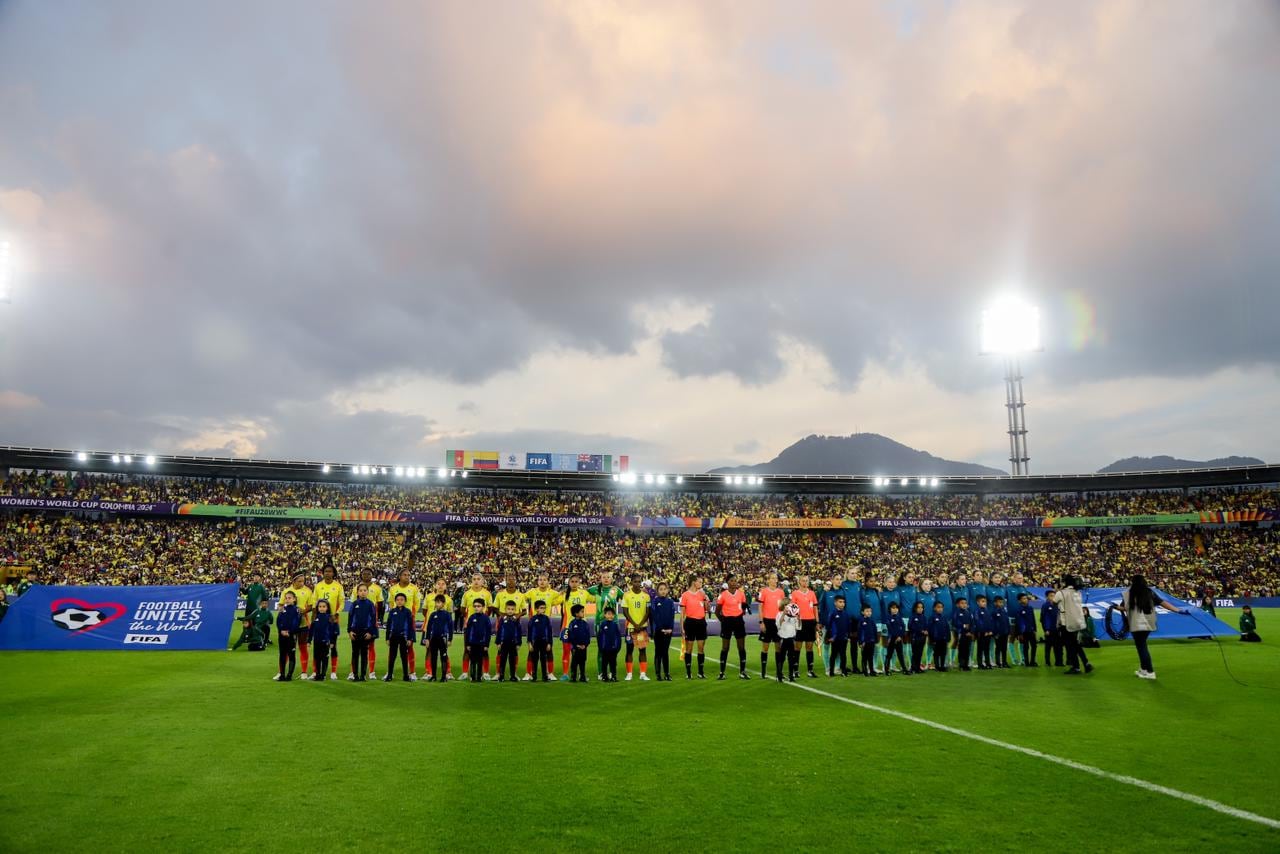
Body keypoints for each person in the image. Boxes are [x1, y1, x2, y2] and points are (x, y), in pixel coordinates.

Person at [1117, 574, 1187, 680]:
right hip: (1148, 623)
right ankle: (1143, 669)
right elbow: (1163, 603)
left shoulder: (1128, 593)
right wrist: (1178, 610)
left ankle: (1150, 672)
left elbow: (1124, 608)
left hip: (1136, 623)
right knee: (1142, 646)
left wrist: (1115, 607)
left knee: (1141, 648)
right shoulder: (1149, 592)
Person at [524, 573, 562, 680]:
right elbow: (521, 597)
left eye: (544, 579)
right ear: (537, 581)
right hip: (534, 624)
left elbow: (562, 596)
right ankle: (529, 673)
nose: (542, 581)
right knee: (531, 651)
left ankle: (550, 673)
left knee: (549, 650)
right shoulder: (532, 592)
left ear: (548, 581)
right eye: (540, 579)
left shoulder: (552, 593)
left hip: (546, 623)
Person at [588, 571, 624, 681]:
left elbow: (626, 597)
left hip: (614, 622)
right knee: (601, 648)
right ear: (600, 578)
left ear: (612, 579)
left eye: (608, 577)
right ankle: (601, 672)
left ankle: (612, 673)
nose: (606, 579)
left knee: (613, 648)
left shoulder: (616, 590)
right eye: (604, 577)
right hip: (599, 622)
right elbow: (584, 592)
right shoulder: (596, 589)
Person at [1054, 576, 1093, 675]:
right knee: (1076, 644)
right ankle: (1086, 663)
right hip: (1078, 621)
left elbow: (1054, 602)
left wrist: (1057, 589)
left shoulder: (1061, 592)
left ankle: (1076, 667)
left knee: (1070, 646)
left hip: (1066, 623)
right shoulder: (1077, 592)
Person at [387, 570, 420, 681]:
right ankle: (390, 673)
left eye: (408, 575)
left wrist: (412, 615)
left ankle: (412, 672)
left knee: (409, 647)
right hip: (396, 621)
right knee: (393, 651)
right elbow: (391, 603)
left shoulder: (414, 588)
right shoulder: (393, 589)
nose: (407, 577)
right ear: (400, 576)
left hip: (408, 620)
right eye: (405, 575)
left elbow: (417, 603)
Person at [715, 575, 750, 681]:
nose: (734, 583)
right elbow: (717, 611)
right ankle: (722, 672)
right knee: (725, 647)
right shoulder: (723, 595)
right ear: (727, 582)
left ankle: (742, 672)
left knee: (741, 647)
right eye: (731, 581)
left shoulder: (741, 594)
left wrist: (738, 614)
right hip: (727, 622)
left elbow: (743, 608)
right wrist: (724, 620)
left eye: (735, 581)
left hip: (738, 621)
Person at [314, 564, 345, 681]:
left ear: (333, 573)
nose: (327, 573)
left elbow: (342, 602)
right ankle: (316, 671)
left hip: (332, 620)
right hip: (320, 620)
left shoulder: (338, 586)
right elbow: (314, 602)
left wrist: (336, 613)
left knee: (333, 645)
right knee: (318, 647)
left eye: (330, 571)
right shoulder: (318, 586)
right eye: (325, 571)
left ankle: (333, 671)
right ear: (323, 573)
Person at [560, 575, 595, 681]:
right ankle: (565, 674)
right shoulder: (564, 594)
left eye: (576, 581)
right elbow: (552, 601)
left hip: (581, 627)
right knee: (566, 651)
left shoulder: (584, 593)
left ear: (579, 583)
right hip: (567, 627)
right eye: (572, 581)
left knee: (580, 653)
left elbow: (595, 599)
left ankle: (581, 674)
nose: (574, 583)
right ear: (569, 583)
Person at [459, 574, 492, 681]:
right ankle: (465, 672)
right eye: (474, 579)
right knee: (467, 650)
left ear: (482, 581)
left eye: (478, 579)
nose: (476, 581)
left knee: (484, 650)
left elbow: (490, 609)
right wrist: (468, 619)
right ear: (471, 581)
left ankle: (485, 672)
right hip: (470, 627)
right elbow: (463, 609)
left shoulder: (487, 594)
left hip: (482, 627)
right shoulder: (467, 594)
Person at [281, 573, 314, 678]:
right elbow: (281, 605)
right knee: (287, 648)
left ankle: (304, 672)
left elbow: (311, 606)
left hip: (303, 623)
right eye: (299, 581)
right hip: (289, 625)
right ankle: (281, 672)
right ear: (293, 581)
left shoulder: (308, 591)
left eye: (303, 581)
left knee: (303, 647)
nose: (302, 583)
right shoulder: (286, 591)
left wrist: (303, 611)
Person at [679, 576, 710, 679]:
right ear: (693, 582)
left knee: (701, 648)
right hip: (690, 623)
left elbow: (708, 609)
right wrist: (682, 628)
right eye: (699, 582)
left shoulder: (702, 594)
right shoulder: (685, 595)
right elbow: (682, 614)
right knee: (689, 649)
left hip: (701, 622)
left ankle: (700, 672)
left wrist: (706, 599)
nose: (701, 584)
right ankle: (688, 673)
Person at [756, 572, 786, 680]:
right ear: (768, 580)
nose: (774, 580)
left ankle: (779, 672)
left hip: (777, 622)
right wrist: (761, 622)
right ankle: (763, 672)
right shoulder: (763, 592)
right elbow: (760, 607)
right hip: (767, 621)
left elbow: (783, 608)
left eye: (775, 578)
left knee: (778, 647)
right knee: (765, 647)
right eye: (772, 578)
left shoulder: (781, 592)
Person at [789, 574, 820, 678]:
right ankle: (795, 670)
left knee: (809, 647)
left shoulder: (812, 593)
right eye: (803, 581)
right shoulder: (795, 593)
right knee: (797, 647)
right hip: (800, 622)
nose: (805, 582)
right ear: (799, 582)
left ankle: (810, 670)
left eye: (806, 581)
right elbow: (792, 609)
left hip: (810, 622)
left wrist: (817, 621)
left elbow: (815, 608)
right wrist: (794, 621)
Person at [422, 579, 453, 681]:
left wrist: (449, 637)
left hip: (442, 632)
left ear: (446, 586)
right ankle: (429, 672)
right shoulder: (428, 596)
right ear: (435, 585)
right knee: (429, 651)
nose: (440, 586)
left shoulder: (449, 599)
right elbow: (424, 611)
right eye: (438, 584)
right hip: (430, 630)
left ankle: (447, 673)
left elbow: (449, 617)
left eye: (443, 584)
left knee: (444, 653)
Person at [621, 577, 651, 682]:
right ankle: (629, 674)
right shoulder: (627, 595)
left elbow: (648, 612)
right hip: (630, 628)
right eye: (635, 581)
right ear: (631, 582)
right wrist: (634, 624)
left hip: (642, 628)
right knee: (629, 650)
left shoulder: (646, 596)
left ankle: (643, 674)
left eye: (639, 581)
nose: (637, 583)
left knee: (642, 650)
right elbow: (625, 611)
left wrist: (641, 624)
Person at [347, 584, 377, 682]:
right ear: (357, 592)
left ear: (367, 592)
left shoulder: (370, 604)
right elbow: (350, 618)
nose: (363, 592)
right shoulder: (354, 604)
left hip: (365, 633)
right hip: (355, 633)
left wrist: (370, 632)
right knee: (355, 654)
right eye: (360, 590)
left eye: (365, 590)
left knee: (364, 654)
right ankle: (355, 675)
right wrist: (350, 631)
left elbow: (373, 619)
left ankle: (363, 675)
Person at [383, 593, 416, 682]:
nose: (399, 601)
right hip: (393, 637)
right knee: (392, 656)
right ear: (395, 601)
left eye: (401, 600)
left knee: (404, 657)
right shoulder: (392, 611)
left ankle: (406, 675)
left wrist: (410, 638)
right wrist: (387, 638)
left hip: (403, 637)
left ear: (405, 601)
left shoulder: (408, 612)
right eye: (398, 600)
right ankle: (389, 675)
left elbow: (410, 626)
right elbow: (389, 626)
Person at [650, 582, 676, 682]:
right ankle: (658, 674)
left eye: (664, 589)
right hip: (658, 631)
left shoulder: (670, 602)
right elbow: (655, 617)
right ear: (657, 591)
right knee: (658, 652)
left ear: (667, 590)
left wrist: (670, 628)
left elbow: (672, 617)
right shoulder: (655, 602)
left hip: (668, 631)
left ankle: (667, 673)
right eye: (661, 589)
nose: (663, 591)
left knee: (665, 652)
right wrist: (661, 629)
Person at [464, 597, 493, 683]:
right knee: (472, 660)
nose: (476, 608)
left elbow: (488, 632)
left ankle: (479, 676)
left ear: (483, 607)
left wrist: (486, 644)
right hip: (472, 643)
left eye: (479, 606)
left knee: (480, 660)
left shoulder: (486, 618)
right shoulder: (471, 617)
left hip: (481, 643)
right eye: (475, 606)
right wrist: (468, 644)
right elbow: (468, 632)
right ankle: (473, 677)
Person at [274, 590, 301, 681]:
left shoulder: (296, 609)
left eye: (289, 598)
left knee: (291, 654)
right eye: (286, 598)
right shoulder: (282, 609)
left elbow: (296, 622)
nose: (287, 600)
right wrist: (281, 630)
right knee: (282, 654)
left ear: (294, 599)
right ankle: (282, 675)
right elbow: (278, 621)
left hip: (291, 636)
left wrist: (289, 631)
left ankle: (289, 675)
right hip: (281, 635)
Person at [823, 595, 851, 676]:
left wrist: (848, 636)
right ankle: (831, 671)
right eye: (840, 602)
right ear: (835, 603)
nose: (842, 604)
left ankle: (843, 671)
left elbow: (848, 625)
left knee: (843, 654)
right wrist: (829, 637)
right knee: (834, 654)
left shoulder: (846, 614)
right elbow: (829, 625)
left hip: (843, 637)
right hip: (835, 638)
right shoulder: (832, 613)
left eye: (843, 602)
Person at [527, 600, 554, 681]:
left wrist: (549, 643)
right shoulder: (532, 619)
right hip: (535, 642)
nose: (543, 610)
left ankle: (545, 676)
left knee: (543, 659)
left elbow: (549, 632)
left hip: (544, 642)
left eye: (544, 608)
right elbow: (529, 632)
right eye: (541, 608)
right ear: (536, 609)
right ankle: (534, 676)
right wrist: (529, 643)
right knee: (534, 659)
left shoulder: (546, 619)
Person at [495, 601, 523, 682]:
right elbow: (499, 631)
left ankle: (513, 676)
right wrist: (498, 642)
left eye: (512, 609)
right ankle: (501, 676)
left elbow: (519, 632)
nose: (510, 611)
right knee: (502, 660)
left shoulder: (516, 620)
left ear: (515, 610)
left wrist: (518, 643)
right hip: (503, 643)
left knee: (512, 661)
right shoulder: (502, 620)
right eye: (508, 609)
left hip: (513, 644)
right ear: (505, 610)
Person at [311, 598, 337, 682]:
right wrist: (308, 640)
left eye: (324, 606)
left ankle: (323, 675)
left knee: (324, 658)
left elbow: (333, 631)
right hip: (316, 642)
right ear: (317, 608)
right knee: (317, 658)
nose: (322, 608)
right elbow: (311, 630)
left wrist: (332, 642)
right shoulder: (315, 618)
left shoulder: (330, 618)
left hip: (325, 642)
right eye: (320, 607)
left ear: (327, 608)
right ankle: (317, 674)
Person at [566, 604, 591, 683]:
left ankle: (582, 676)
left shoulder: (585, 624)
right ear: (576, 613)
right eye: (582, 612)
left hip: (584, 647)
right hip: (575, 648)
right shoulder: (572, 624)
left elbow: (588, 636)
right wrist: (576, 645)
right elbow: (570, 636)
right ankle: (573, 677)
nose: (584, 613)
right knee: (574, 662)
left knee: (582, 662)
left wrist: (585, 645)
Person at [597, 606, 623, 682]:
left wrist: (617, 647)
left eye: (612, 614)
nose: (610, 615)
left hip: (613, 649)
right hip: (605, 649)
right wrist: (601, 647)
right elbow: (600, 637)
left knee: (613, 664)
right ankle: (604, 676)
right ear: (605, 615)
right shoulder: (602, 625)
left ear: (614, 615)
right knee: (604, 663)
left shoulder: (615, 625)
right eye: (608, 614)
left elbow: (618, 637)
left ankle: (613, 676)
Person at [776, 602, 801, 682]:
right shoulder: (779, 614)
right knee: (781, 658)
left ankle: (791, 676)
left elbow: (799, 627)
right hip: (783, 639)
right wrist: (784, 614)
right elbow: (778, 625)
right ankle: (779, 675)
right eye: (787, 605)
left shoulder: (794, 615)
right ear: (784, 606)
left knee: (791, 658)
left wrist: (799, 618)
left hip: (791, 639)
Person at [1040, 588, 1063, 667]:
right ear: (1047, 597)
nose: (1053, 597)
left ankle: (1059, 662)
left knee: (1058, 646)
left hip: (1057, 629)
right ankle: (1047, 662)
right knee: (1048, 646)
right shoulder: (1045, 606)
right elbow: (1043, 619)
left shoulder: (1057, 605)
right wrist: (1046, 629)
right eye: (1051, 596)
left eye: (1054, 596)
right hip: (1049, 630)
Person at [1014, 592, 1039, 667]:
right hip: (1024, 632)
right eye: (1023, 599)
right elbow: (1018, 622)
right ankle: (1026, 662)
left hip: (1031, 630)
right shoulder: (1018, 610)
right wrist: (1019, 633)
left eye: (1026, 598)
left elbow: (1033, 619)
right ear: (1019, 601)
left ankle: (1032, 661)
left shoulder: (1030, 608)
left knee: (1034, 646)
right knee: (1026, 647)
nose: (1026, 600)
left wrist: (1035, 629)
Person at [884, 601, 908, 675]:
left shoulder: (899, 617)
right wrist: (894, 636)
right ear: (890, 609)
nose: (895, 610)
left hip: (899, 639)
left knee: (900, 654)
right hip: (892, 639)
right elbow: (890, 629)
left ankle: (904, 669)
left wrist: (900, 636)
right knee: (889, 654)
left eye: (896, 608)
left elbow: (903, 627)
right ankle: (887, 670)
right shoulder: (888, 617)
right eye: (893, 608)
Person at [951, 597, 974, 672]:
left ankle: (966, 665)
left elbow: (972, 623)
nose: (964, 605)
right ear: (957, 605)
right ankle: (961, 664)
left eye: (965, 603)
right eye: (962, 603)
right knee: (961, 649)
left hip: (968, 634)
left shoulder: (968, 612)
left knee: (967, 649)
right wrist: (963, 626)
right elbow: (955, 623)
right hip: (961, 634)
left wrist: (971, 631)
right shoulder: (956, 613)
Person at [927, 600, 951, 672]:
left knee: (943, 653)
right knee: (937, 653)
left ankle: (942, 666)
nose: (940, 609)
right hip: (936, 639)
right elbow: (930, 628)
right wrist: (932, 639)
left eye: (941, 607)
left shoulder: (944, 617)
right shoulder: (932, 617)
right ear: (934, 608)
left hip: (943, 639)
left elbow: (947, 628)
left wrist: (948, 637)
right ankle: (937, 666)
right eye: (938, 607)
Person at [907, 600, 928, 674]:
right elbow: (910, 626)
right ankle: (913, 667)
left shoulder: (924, 617)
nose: (920, 609)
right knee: (915, 653)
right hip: (915, 637)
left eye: (921, 607)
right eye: (918, 607)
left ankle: (918, 668)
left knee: (920, 653)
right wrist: (921, 631)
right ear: (915, 608)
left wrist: (926, 631)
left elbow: (926, 626)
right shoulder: (912, 616)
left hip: (922, 638)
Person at [973, 595, 994, 670]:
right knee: (980, 649)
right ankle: (980, 664)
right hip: (981, 633)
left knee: (987, 648)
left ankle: (988, 663)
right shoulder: (977, 611)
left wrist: (990, 631)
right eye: (982, 601)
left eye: (985, 601)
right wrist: (984, 631)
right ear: (978, 602)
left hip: (988, 633)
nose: (984, 603)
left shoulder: (987, 610)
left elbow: (990, 622)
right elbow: (978, 622)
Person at [991, 596, 1011, 669]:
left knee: (1004, 648)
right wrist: (995, 633)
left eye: (1002, 602)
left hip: (1005, 633)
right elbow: (993, 624)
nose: (1001, 604)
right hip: (998, 633)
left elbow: (1006, 622)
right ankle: (998, 662)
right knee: (998, 648)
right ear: (995, 603)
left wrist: (1008, 631)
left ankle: (1004, 662)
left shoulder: (1004, 611)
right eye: (999, 602)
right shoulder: (994, 612)